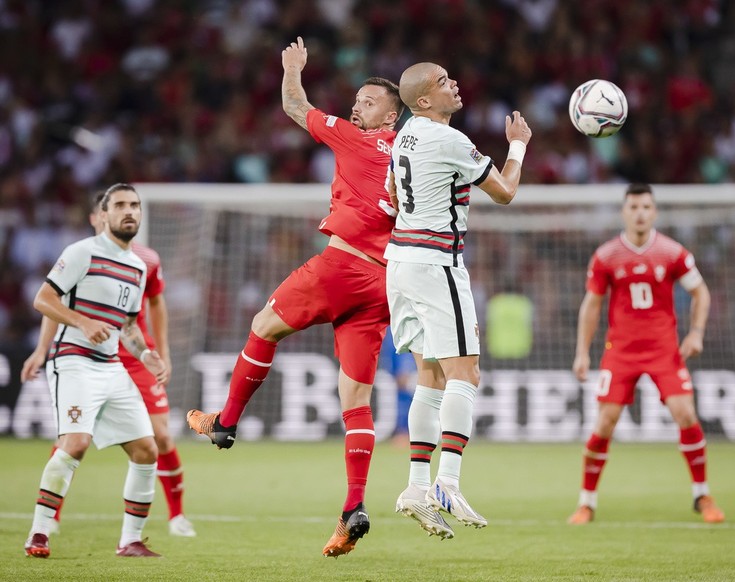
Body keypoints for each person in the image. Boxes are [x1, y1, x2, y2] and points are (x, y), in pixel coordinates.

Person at [185, 37, 403, 558]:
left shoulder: (359, 140)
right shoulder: (418, 155)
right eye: (356, 100)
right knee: (356, 401)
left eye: (368, 102)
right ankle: (353, 507)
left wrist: (292, 68)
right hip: (385, 284)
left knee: (263, 325)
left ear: (391, 114)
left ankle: (227, 422)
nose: (357, 106)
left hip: (342, 266)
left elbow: (293, 105)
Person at [388, 62, 532, 539]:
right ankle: (447, 483)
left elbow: (391, 191)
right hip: (435, 263)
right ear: (424, 100)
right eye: (444, 81)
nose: (455, 83)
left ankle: (415, 486)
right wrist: (518, 144)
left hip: (400, 261)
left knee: (429, 377)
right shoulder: (449, 141)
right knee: (466, 373)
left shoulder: (405, 133)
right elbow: (506, 192)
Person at [21, 192, 195, 538]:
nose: (126, 213)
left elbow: (154, 307)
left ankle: (174, 517)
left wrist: (160, 352)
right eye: (117, 207)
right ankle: (48, 520)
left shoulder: (145, 261)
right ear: (98, 218)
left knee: (159, 436)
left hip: (132, 352)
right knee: (74, 439)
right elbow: (54, 300)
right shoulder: (82, 254)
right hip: (86, 355)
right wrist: (43, 349)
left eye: (133, 206)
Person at [568, 183, 725, 525]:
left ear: (654, 212)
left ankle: (702, 494)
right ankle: (586, 502)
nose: (640, 213)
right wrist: (582, 352)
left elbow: (701, 292)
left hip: (663, 349)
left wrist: (696, 333)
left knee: (685, 413)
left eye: (646, 207)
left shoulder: (672, 252)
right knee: (605, 422)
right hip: (620, 351)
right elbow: (591, 305)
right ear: (624, 212)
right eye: (634, 207)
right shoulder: (607, 255)